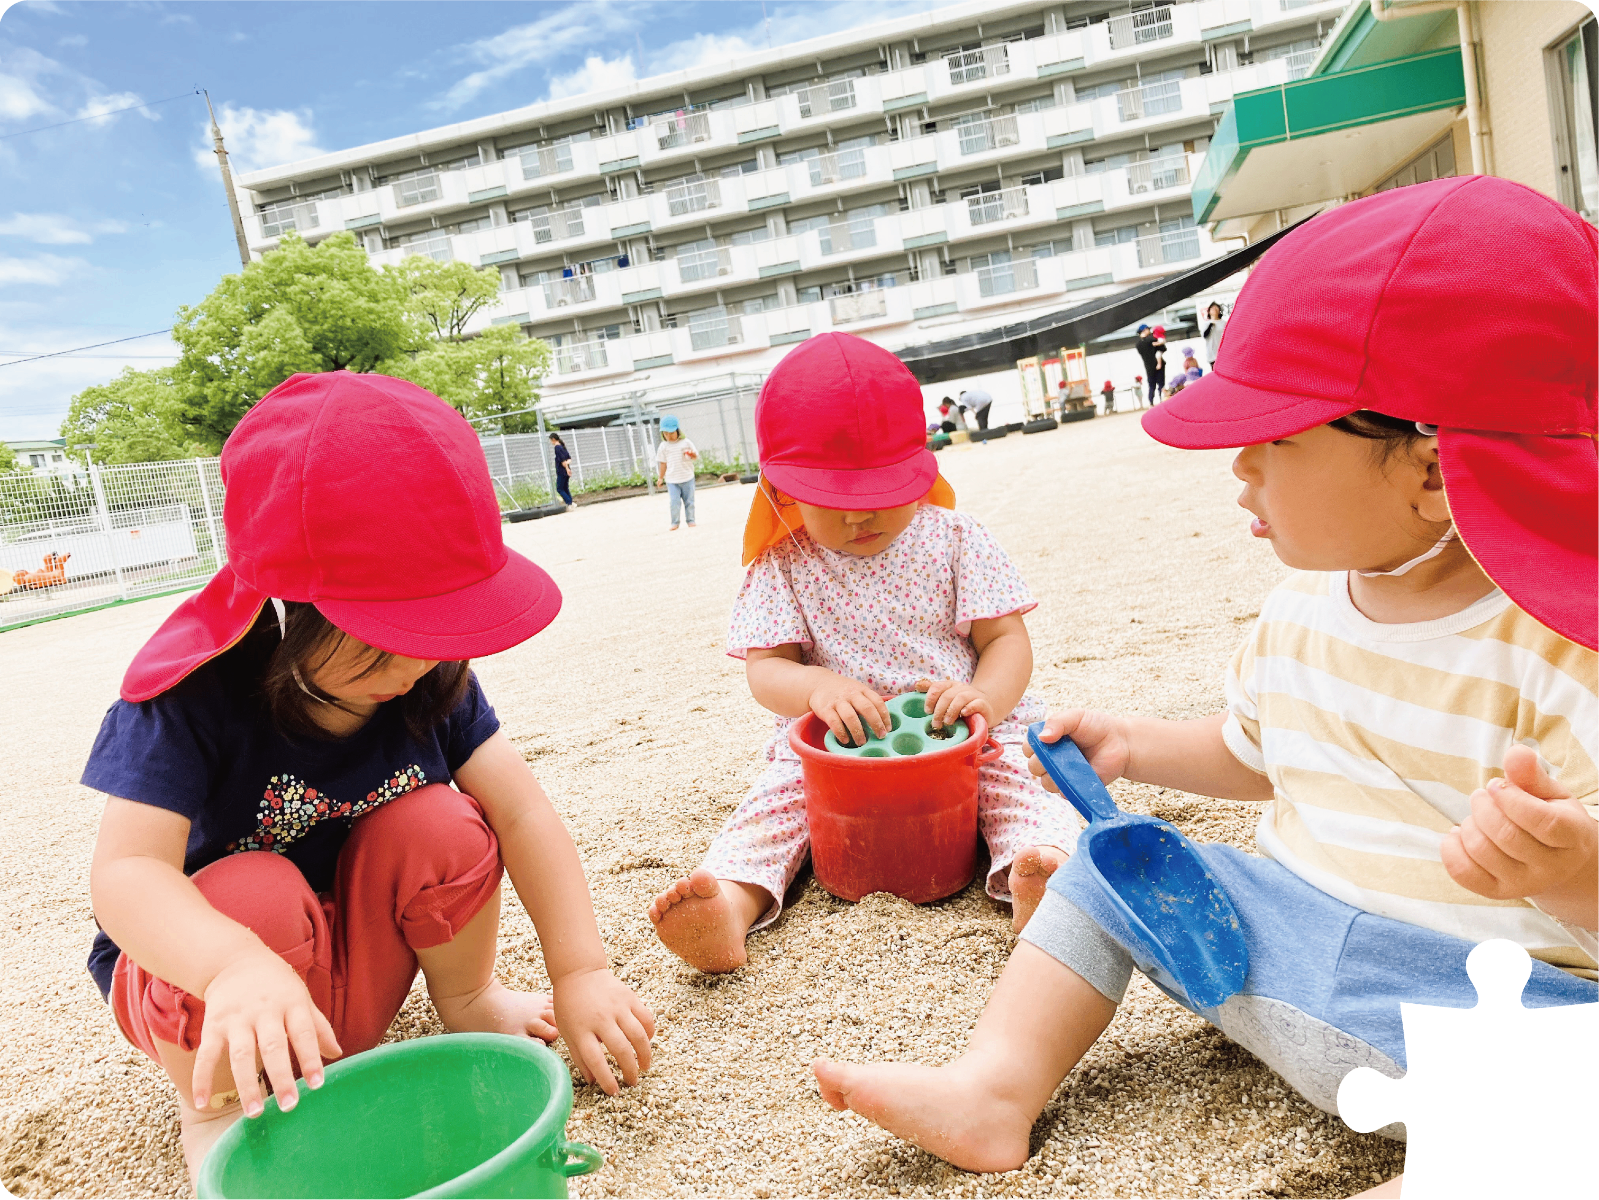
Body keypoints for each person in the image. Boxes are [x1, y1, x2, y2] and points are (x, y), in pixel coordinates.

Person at [806, 177, 1599, 1200]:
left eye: (1276, 440)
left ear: (1433, 470)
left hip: (1482, 1012)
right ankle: (993, 1088)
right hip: (1277, 949)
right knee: (1108, 863)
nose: (1239, 470)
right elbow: (1259, 754)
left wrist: (1569, 862)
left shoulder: (1555, 644)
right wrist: (1135, 748)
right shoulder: (1301, 610)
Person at [85, 373, 655, 1184]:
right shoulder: (193, 696)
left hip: (353, 954)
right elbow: (127, 874)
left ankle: (466, 1002)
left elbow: (521, 812)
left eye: (436, 625)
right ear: (284, 606)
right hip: (217, 992)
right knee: (251, 892)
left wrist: (581, 971)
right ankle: (218, 1110)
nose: (415, 662)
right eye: (383, 636)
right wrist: (230, 966)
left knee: (443, 823)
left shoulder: (428, 678)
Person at [647, 333, 1081, 973]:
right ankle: (729, 905)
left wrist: (985, 697)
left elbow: (1006, 640)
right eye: (835, 501)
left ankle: (1038, 877)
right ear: (783, 491)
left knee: (1022, 783)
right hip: (835, 746)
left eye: (882, 490)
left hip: (960, 729)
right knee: (774, 807)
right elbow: (767, 669)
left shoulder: (954, 538)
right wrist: (816, 688)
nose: (861, 517)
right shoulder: (786, 564)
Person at [654, 414, 699, 530]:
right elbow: (663, 463)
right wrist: (660, 477)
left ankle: (691, 520)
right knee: (674, 502)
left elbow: (695, 456)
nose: (669, 436)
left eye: (671, 433)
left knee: (689, 501)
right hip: (672, 480)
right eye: (665, 433)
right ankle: (675, 522)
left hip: (687, 477)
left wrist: (691, 454)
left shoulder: (686, 442)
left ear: (678, 431)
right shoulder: (663, 446)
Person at [1133, 326, 1159, 406]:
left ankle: (1151, 402)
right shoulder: (1150, 339)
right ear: (1144, 330)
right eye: (1148, 329)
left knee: (1151, 385)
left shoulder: (1138, 344)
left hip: (1147, 366)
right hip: (1156, 363)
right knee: (1160, 383)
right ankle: (1160, 399)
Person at [549, 432, 573, 507]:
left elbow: (562, 461)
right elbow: (569, 459)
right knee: (565, 488)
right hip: (566, 470)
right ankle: (571, 502)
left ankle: (569, 503)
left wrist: (566, 468)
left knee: (559, 488)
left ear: (553, 439)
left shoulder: (557, 448)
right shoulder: (562, 447)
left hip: (561, 471)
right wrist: (568, 468)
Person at [1202, 300, 1227, 367]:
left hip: (1223, 352)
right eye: (1212, 309)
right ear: (1209, 311)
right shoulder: (1206, 324)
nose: (1215, 310)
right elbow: (1205, 335)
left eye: (1216, 308)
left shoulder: (1224, 323)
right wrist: (1210, 326)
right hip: (1212, 353)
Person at [1148, 324, 1168, 401]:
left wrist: (1155, 344)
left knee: (1158, 355)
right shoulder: (1160, 337)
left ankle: (1159, 364)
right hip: (1160, 353)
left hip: (1159, 353)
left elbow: (1161, 343)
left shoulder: (1159, 338)